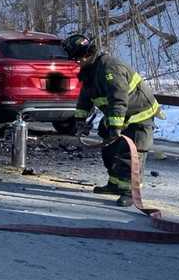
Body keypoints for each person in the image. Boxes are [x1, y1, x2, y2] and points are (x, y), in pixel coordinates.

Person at [63, 34, 160, 207]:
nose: (75, 63)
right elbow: (85, 96)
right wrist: (79, 119)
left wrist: (115, 127)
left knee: (129, 153)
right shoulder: (90, 70)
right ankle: (115, 185)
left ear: (85, 55)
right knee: (109, 149)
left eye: (76, 60)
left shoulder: (109, 69)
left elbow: (118, 100)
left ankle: (130, 191)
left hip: (138, 115)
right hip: (118, 114)